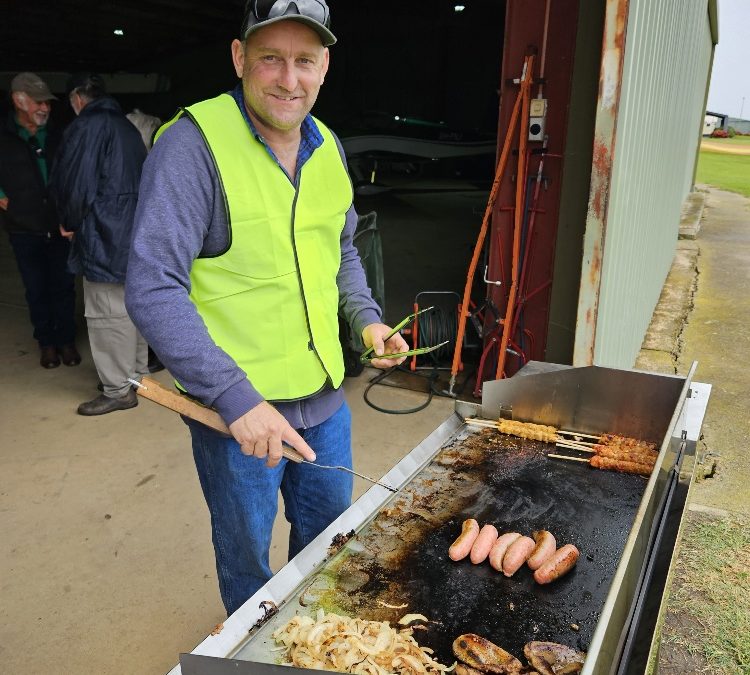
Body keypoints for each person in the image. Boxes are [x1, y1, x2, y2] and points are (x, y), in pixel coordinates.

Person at [125, 0, 409, 616]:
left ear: (325, 66)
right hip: (238, 418)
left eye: (305, 60)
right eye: (271, 58)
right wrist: (235, 398)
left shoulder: (327, 145)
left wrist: (366, 319)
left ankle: (316, 641)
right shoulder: (192, 146)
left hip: (326, 400)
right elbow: (153, 287)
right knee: (249, 561)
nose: (289, 78)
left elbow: (338, 248)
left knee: (331, 546)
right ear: (239, 57)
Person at [50, 73, 148, 415]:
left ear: (78, 99)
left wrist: (68, 221)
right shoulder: (126, 127)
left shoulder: (88, 127)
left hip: (104, 233)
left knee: (106, 312)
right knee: (130, 308)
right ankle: (135, 377)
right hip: (132, 231)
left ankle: (118, 389)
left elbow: (76, 182)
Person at [0, 72, 79, 369]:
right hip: (23, 228)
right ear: (19, 100)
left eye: (47, 103)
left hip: (58, 225)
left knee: (63, 286)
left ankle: (67, 341)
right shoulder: (5, 136)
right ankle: (47, 343)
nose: (45, 108)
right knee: (36, 289)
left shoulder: (59, 133)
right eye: (38, 103)